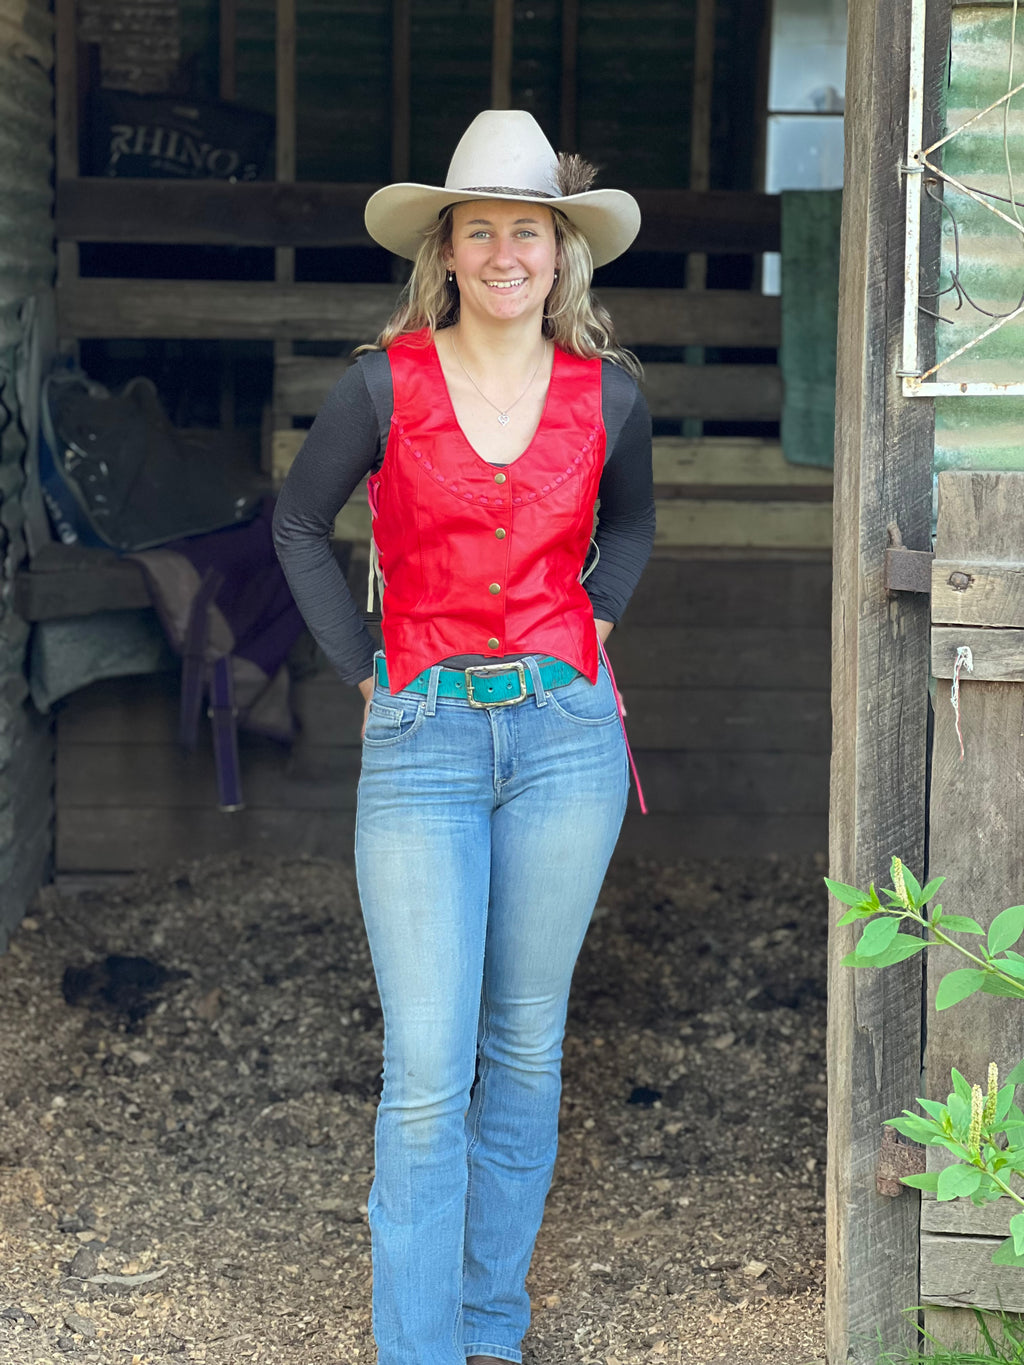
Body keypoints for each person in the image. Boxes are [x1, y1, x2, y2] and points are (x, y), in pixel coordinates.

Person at [273, 109, 655, 1365]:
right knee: (429, 1072)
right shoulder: (384, 381)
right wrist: (362, 668)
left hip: (564, 742)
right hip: (425, 739)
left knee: (526, 1044)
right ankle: (418, 1348)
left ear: (560, 253)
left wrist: (593, 621)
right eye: (480, 229)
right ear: (446, 249)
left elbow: (637, 527)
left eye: (528, 231)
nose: (505, 253)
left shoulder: (613, 396)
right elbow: (296, 524)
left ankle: (492, 1325)